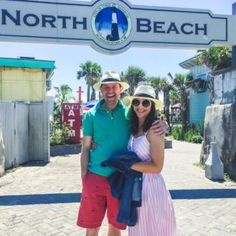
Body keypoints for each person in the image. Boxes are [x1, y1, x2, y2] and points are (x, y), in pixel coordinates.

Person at [77, 71, 168, 236]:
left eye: (114, 87)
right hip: (95, 176)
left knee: (115, 227)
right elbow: (85, 147)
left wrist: (163, 124)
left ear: (120, 89)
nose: (110, 91)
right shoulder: (90, 115)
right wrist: (84, 177)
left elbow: (146, 119)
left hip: (120, 179)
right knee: (91, 228)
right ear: (101, 90)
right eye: (106, 87)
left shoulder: (128, 113)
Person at [125, 84, 176, 236]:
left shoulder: (155, 130)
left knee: (153, 229)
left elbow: (157, 167)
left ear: (152, 105)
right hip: (136, 189)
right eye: (136, 102)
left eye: (146, 102)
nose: (140, 106)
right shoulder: (133, 127)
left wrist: (129, 165)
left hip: (151, 189)